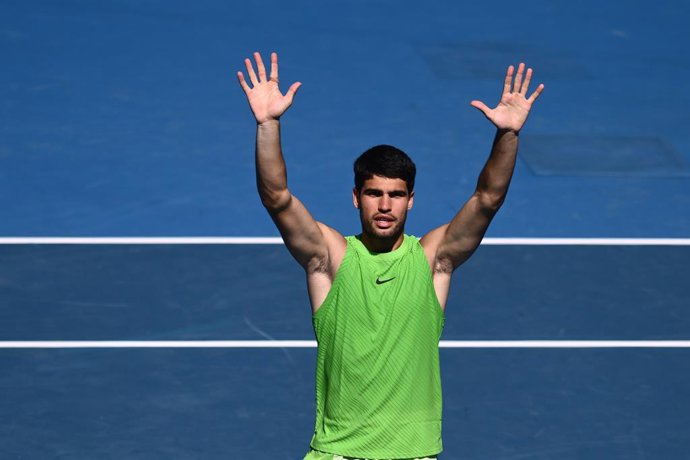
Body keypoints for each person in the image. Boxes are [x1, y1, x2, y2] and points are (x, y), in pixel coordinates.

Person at [237, 51, 544, 460]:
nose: (385, 205)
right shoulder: (329, 260)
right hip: (337, 453)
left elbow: (488, 199)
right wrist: (268, 124)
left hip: (413, 453)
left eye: (396, 195)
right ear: (356, 198)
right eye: (374, 193)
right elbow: (276, 198)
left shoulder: (434, 260)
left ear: (410, 201)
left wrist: (508, 134)